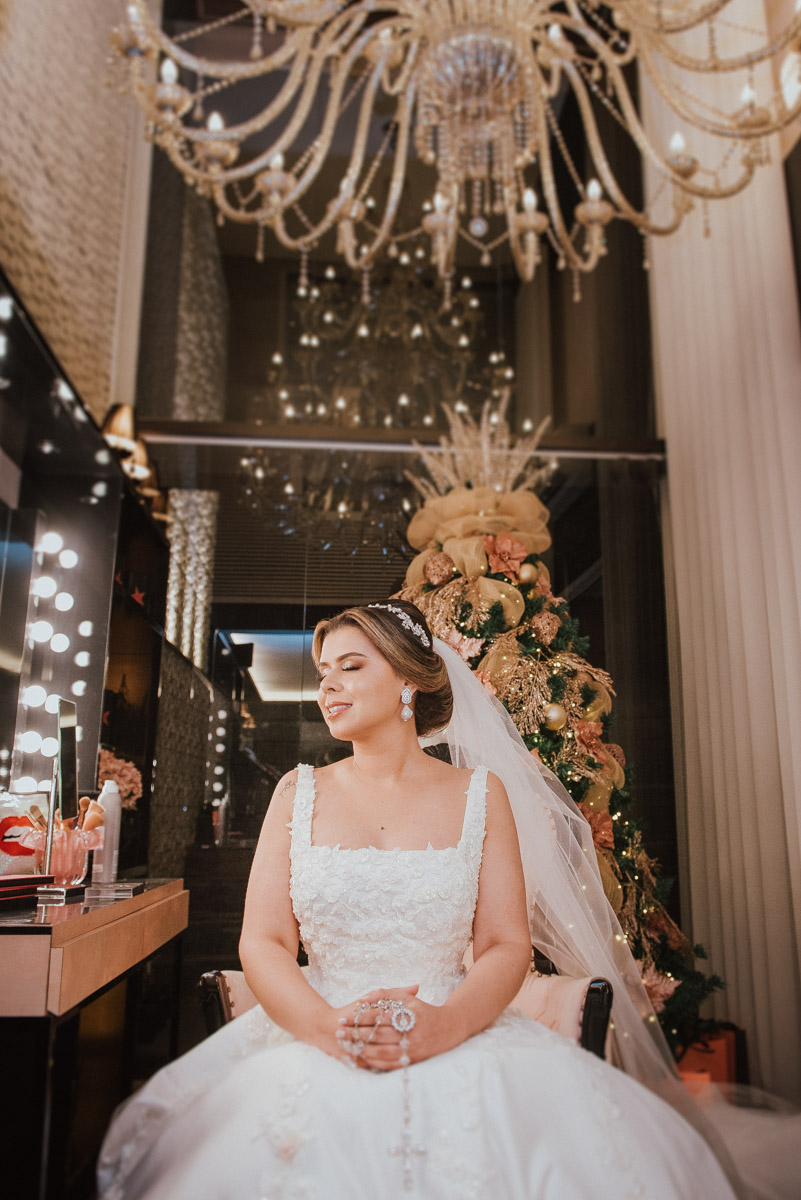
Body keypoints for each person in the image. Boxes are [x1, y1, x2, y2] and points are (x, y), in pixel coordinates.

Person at [97, 600, 741, 1199]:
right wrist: (326, 1028)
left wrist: (445, 1025)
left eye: (351, 667)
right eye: (324, 672)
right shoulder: (296, 792)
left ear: (409, 680)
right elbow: (263, 941)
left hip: (455, 1023)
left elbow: (505, 944)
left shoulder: (480, 794)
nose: (328, 685)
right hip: (318, 1026)